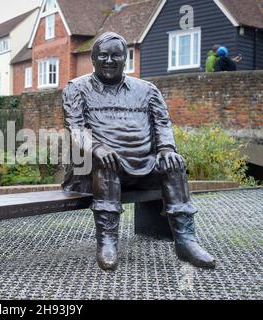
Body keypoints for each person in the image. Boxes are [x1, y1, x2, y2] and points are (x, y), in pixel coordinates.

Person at [62, 32, 216, 271]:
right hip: (96, 170)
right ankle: (107, 242)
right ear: (93, 59)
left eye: (116, 55)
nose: (109, 60)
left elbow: (162, 123)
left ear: (126, 58)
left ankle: (186, 241)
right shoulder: (77, 88)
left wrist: (166, 149)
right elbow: (76, 128)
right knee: (107, 163)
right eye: (103, 55)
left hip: (144, 164)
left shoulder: (147, 89)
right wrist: (96, 147)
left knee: (174, 163)